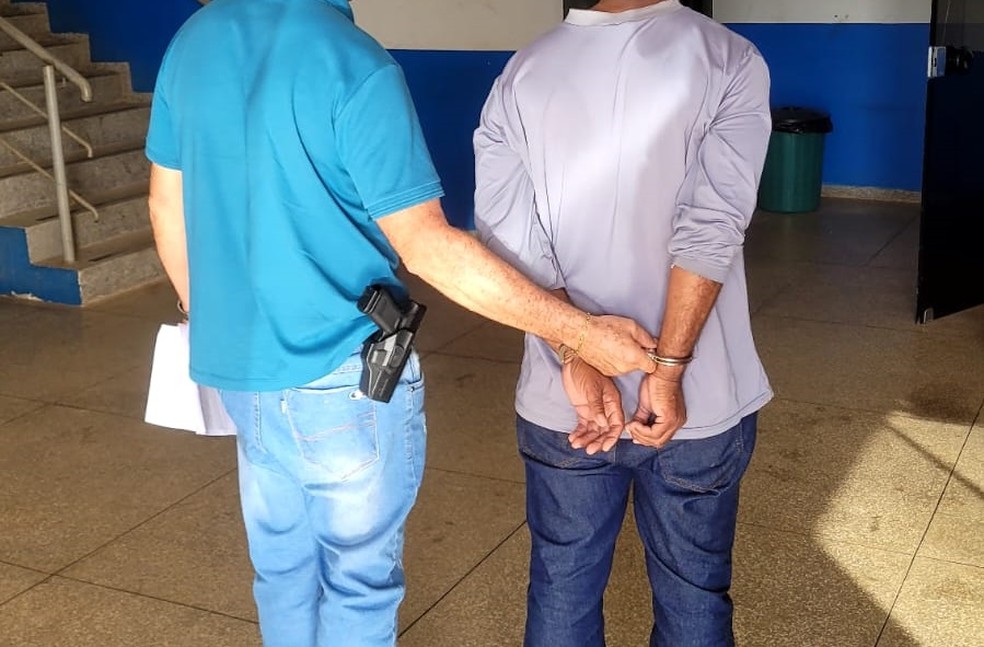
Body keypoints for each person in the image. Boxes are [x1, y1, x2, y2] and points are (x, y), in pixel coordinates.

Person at [144, 1, 658, 646]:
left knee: (281, 571)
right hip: (341, 377)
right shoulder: (351, 62)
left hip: (239, 371)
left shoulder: (193, 41)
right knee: (357, 584)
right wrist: (581, 333)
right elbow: (429, 247)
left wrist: (208, 319)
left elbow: (165, 204)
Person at [473, 1, 774, 645]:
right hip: (699, 400)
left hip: (566, 402)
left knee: (562, 589)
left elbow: (506, 240)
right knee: (694, 594)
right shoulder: (729, 59)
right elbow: (711, 227)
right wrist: (667, 373)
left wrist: (574, 355)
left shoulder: (523, 73)